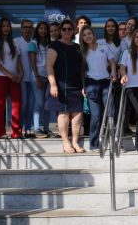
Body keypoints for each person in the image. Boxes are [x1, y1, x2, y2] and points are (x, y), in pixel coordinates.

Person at [46, 19, 85, 154]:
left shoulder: (77, 47)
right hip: (61, 86)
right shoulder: (55, 45)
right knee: (63, 115)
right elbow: (49, 66)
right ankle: (65, 142)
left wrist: (83, 85)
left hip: (76, 86)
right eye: (64, 29)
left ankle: (75, 142)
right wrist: (53, 84)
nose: (67, 31)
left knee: (78, 115)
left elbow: (81, 69)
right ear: (60, 31)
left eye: (69, 29)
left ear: (74, 31)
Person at [79, 25, 116, 152]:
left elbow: (112, 63)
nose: (87, 37)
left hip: (105, 82)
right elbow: (82, 71)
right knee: (96, 115)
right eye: (84, 35)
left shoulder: (104, 47)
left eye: (89, 33)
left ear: (93, 34)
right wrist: (83, 86)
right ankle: (94, 144)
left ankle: (114, 141)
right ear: (82, 38)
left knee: (111, 112)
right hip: (91, 83)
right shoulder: (83, 52)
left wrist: (114, 72)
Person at [0, 17, 23, 140]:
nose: (6, 28)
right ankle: (0, 133)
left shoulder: (14, 43)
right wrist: (9, 74)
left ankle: (16, 133)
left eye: (8, 26)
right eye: (3, 26)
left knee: (17, 104)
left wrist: (21, 73)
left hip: (14, 78)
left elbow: (17, 60)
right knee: (0, 105)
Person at [30, 21, 51, 138]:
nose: (43, 30)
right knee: (39, 103)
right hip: (38, 77)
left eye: (45, 29)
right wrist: (37, 77)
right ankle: (37, 129)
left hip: (49, 77)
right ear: (37, 30)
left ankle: (46, 129)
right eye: (41, 28)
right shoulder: (33, 44)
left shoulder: (50, 44)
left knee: (47, 104)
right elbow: (32, 63)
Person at [15, 19, 35, 138]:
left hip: (32, 78)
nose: (28, 29)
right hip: (21, 78)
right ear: (21, 29)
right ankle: (19, 129)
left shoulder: (34, 42)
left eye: (30, 27)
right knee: (23, 104)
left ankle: (28, 129)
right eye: (25, 27)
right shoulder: (16, 42)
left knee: (31, 105)